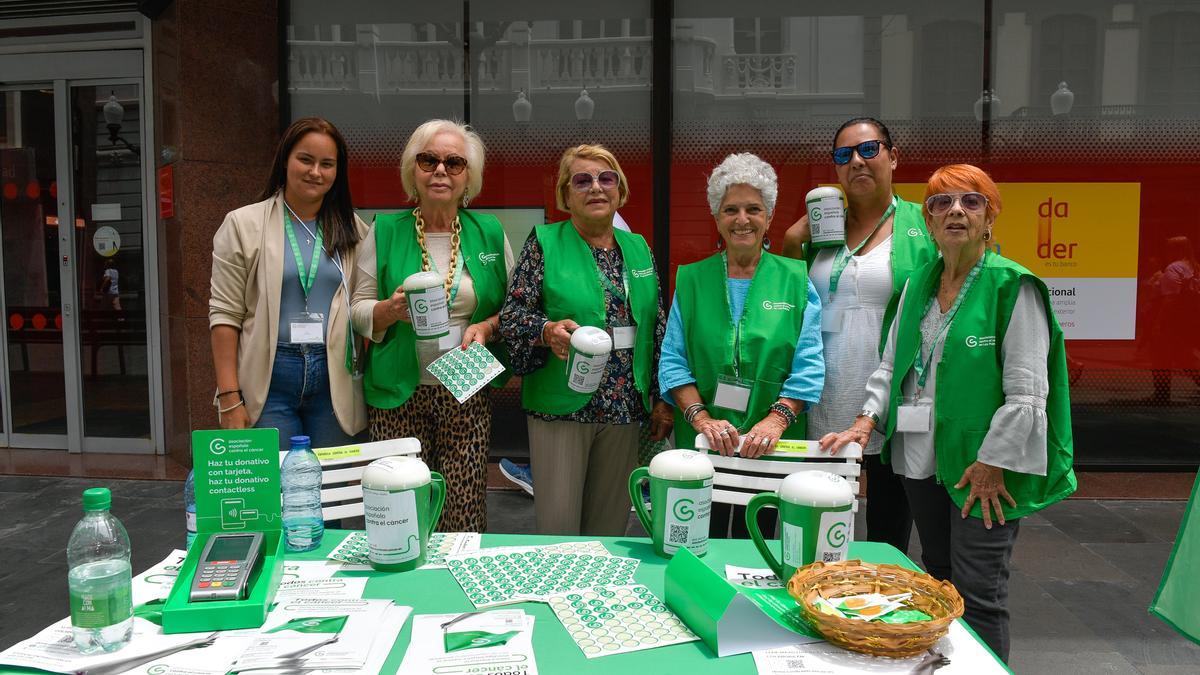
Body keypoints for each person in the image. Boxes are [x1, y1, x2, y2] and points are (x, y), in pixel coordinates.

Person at [821, 164, 1077, 662]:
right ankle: (947, 667)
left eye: (971, 202)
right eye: (942, 204)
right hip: (922, 460)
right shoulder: (919, 283)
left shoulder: (1013, 287)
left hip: (984, 471)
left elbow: (1028, 394)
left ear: (989, 219)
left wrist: (992, 464)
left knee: (980, 593)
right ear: (931, 223)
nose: (956, 211)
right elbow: (892, 365)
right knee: (938, 578)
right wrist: (865, 420)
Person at [499, 144, 673, 536]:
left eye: (605, 178)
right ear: (566, 195)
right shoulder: (545, 242)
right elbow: (512, 316)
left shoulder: (638, 247)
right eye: (583, 180)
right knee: (559, 529)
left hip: (625, 406)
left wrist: (661, 399)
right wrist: (546, 331)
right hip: (561, 406)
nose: (596, 187)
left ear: (619, 190)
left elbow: (656, 325)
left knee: (610, 528)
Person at [783, 117, 937, 554]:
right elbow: (786, 295)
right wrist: (794, 239)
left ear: (893, 156)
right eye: (843, 154)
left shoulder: (921, 226)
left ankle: (874, 621)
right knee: (820, 533)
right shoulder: (821, 227)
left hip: (892, 399)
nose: (857, 161)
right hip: (824, 398)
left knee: (888, 535)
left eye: (869, 150)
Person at [351, 119, 513, 533]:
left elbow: (515, 308)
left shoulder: (489, 232)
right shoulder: (385, 231)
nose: (441, 171)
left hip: (466, 389)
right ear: (413, 170)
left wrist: (487, 328)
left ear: (468, 177)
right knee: (402, 509)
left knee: (463, 510)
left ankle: (457, 589)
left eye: (454, 163)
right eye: (429, 160)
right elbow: (357, 309)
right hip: (398, 392)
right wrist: (388, 310)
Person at [661, 152, 825, 538]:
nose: (742, 220)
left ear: (768, 216)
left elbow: (810, 364)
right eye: (730, 209)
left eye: (753, 209)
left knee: (765, 548)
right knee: (704, 544)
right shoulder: (692, 280)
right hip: (704, 445)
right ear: (717, 218)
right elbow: (672, 361)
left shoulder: (796, 279)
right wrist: (702, 419)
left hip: (773, 446)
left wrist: (777, 419)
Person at [209, 117, 368, 450]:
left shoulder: (354, 231)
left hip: (334, 374)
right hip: (269, 377)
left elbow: (365, 304)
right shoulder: (242, 224)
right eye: (305, 160)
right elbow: (224, 315)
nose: (315, 172)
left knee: (332, 485)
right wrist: (228, 397)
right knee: (276, 489)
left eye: (327, 164)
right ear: (285, 160)